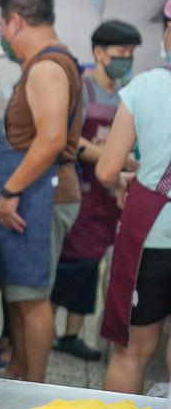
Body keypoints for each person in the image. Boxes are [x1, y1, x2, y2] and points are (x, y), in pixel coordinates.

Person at [0, 0, 83, 383]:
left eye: (2, 28)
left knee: (33, 300)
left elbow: (51, 140)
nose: (5, 38)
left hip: (38, 198)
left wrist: (10, 190)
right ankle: (21, 373)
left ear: (16, 21)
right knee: (23, 297)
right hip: (30, 192)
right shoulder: (49, 65)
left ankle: (34, 387)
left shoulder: (45, 67)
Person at [51, 20, 141, 362]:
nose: (126, 59)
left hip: (112, 196)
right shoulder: (82, 91)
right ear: (99, 53)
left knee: (92, 268)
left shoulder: (126, 95)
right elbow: (72, 142)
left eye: (131, 53)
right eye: (120, 53)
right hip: (84, 194)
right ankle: (50, 327)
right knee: (74, 263)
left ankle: (71, 334)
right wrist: (115, 158)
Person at [97, 0, 171, 394]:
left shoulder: (144, 87)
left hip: (152, 237)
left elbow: (108, 169)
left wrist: (126, 180)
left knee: (132, 352)